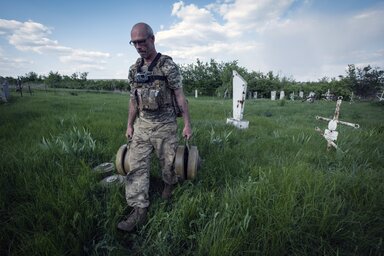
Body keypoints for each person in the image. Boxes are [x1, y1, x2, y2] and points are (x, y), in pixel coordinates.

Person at [117, 22, 192, 232]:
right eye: (135, 43)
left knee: (169, 166)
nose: (139, 46)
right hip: (143, 126)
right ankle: (139, 209)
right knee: (136, 166)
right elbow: (133, 100)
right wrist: (130, 125)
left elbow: (180, 95)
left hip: (165, 125)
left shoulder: (167, 66)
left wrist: (186, 124)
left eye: (142, 41)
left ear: (152, 39)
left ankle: (169, 185)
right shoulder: (134, 70)